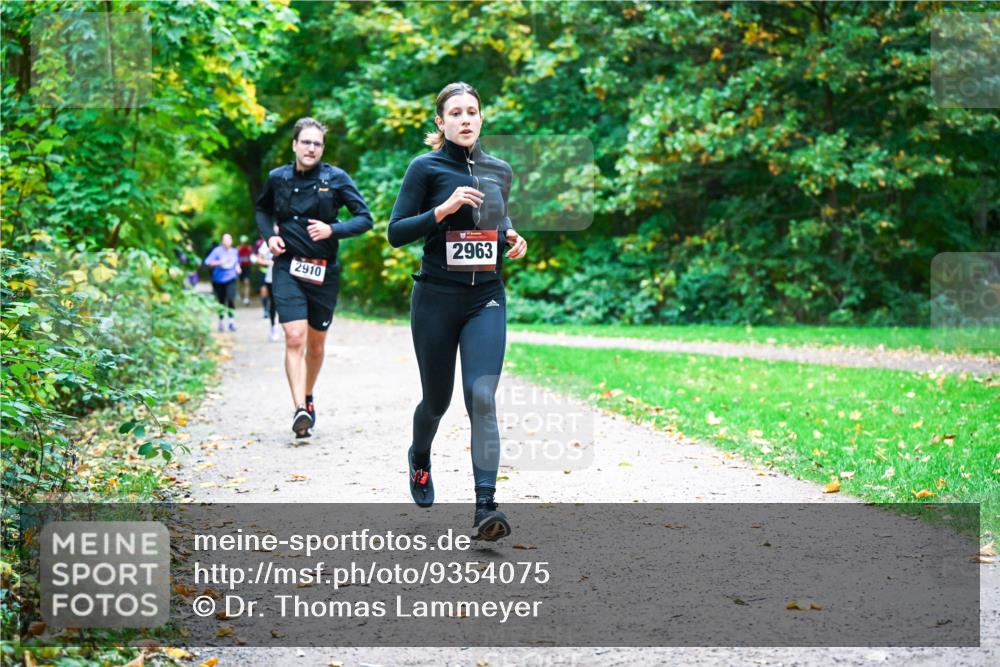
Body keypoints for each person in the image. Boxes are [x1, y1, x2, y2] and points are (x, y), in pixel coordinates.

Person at [388, 82, 527, 541]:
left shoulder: (499, 169)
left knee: (482, 396)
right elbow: (395, 232)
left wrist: (511, 236)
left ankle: (486, 506)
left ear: (481, 118)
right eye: (455, 113)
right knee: (437, 401)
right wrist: (442, 210)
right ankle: (419, 455)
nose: (465, 119)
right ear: (440, 122)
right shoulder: (424, 168)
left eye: (472, 111)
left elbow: (499, 218)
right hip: (436, 298)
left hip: (485, 296)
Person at [255, 117, 373, 437]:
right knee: (295, 337)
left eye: (317, 144)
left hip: (323, 271)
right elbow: (262, 210)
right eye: (305, 142)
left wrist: (332, 229)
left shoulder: (335, 178)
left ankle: (307, 396)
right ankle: (299, 410)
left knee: (316, 345)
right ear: (294, 145)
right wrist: (270, 237)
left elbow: (365, 218)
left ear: (322, 148)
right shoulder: (277, 178)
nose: (311, 148)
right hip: (288, 267)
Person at [204, 233, 241, 332]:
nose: (227, 241)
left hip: (231, 278)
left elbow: (237, 262)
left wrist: (238, 268)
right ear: (222, 241)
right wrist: (220, 262)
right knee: (221, 301)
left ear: (231, 241)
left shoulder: (234, 251)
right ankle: (221, 321)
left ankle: (232, 322)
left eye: (229, 239)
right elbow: (207, 262)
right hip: (219, 280)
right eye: (225, 239)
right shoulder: (217, 251)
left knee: (231, 299)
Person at [252, 227, 280, 342]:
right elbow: (258, 259)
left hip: (287, 278)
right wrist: (269, 262)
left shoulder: (289, 240)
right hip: (271, 277)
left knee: (285, 303)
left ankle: (286, 327)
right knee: (273, 303)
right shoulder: (268, 243)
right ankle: (273, 329)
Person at [237, 235, 254, 305]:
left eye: (245, 242)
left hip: (247, 267)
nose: (243, 244)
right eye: (242, 242)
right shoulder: (238, 248)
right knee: (240, 282)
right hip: (240, 268)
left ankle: (246, 298)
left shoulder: (249, 248)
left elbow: (252, 257)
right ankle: (239, 294)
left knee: (246, 282)